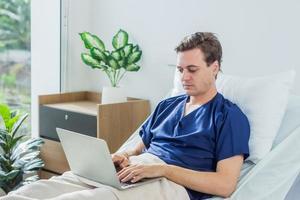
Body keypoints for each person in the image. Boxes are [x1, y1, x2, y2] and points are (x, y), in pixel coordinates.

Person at [112, 32, 250, 200]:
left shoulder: (228, 117)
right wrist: (123, 157)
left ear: (214, 68)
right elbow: (136, 150)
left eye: (192, 70)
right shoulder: (166, 106)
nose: (184, 77)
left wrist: (163, 170)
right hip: (137, 173)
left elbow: (225, 185)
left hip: (172, 185)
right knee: (73, 183)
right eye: (180, 70)